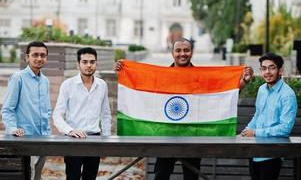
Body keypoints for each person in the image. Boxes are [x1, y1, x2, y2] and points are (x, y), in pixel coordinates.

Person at [114, 37, 254, 180]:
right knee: (161, 175)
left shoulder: (201, 77)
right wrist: (123, 71)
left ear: (191, 52)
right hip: (165, 138)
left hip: (192, 137)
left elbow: (221, 94)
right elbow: (139, 85)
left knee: (191, 177)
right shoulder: (161, 76)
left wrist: (243, 82)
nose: (182, 54)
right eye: (178, 50)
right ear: (172, 53)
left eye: (186, 50)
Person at [53, 47, 111, 180]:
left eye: (92, 62)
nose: (89, 65)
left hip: (95, 139)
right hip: (73, 140)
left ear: (96, 63)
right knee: (72, 177)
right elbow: (57, 115)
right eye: (84, 62)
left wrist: (106, 142)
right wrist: (70, 131)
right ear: (78, 64)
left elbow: (106, 115)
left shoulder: (102, 85)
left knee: (90, 178)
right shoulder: (67, 85)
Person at [241, 53, 297, 180]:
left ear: (280, 70)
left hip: (272, 153)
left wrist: (255, 132)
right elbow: (258, 114)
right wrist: (246, 131)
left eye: (272, 67)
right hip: (255, 150)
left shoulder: (287, 95)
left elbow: (285, 128)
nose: (267, 72)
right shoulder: (261, 89)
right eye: (264, 68)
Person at [1, 41, 51, 180]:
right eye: (35, 55)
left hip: (42, 139)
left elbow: (45, 110)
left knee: (37, 177)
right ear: (27, 57)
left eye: (43, 55)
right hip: (23, 140)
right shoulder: (18, 78)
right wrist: (13, 129)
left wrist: (47, 133)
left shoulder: (45, 80)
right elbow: (7, 109)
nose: (39, 58)